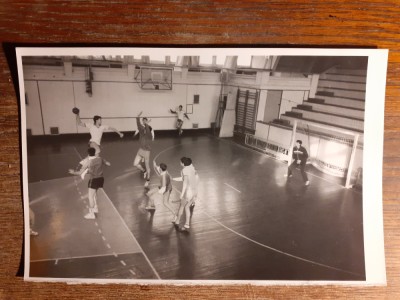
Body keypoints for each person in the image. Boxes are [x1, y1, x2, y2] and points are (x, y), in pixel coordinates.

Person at [69, 147, 111, 219]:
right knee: (94, 194)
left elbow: (80, 173)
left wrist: (73, 172)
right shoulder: (100, 159)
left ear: (88, 154)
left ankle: (91, 214)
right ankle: (95, 209)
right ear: (95, 152)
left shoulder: (88, 162)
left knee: (90, 197)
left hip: (93, 180)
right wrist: (104, 165)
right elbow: (108, 164)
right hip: (101, 179)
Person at [173, 157, 199, 232]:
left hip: (188, 191)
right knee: (187, 207)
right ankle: (183, 223)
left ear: (183, 163)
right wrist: (174, 179)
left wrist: (182, 194)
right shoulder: (192, 168)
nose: (180, 163)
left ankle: (180, 222)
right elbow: (192, 179)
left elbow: (185, 183)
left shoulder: (184, 170)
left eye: (180, 162)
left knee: (182, 206)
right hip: (194, 191)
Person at [133, 111, 154, 187]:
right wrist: (138, 116)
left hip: (146, 152)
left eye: (145, 129)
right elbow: (139, 124)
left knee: (148, 167)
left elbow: (147, 129)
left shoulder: (149, 136)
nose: (143, 129)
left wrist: (147, 124)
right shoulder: (142, 132)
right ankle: (143, 171)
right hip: (140, 150)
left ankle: (148, 181)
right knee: (135, 164)